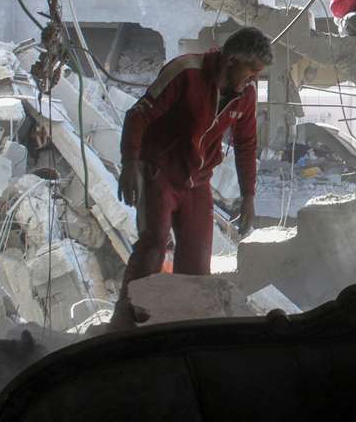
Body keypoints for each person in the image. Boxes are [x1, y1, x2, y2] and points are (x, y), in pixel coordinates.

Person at [116, 26, 272, 289]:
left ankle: (184, 324)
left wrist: (248, 197)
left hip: (197, 181)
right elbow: (138, 115)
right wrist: (130, 163)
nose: (253, 80)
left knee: (197, 265)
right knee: (154, 245)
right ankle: (128, 319)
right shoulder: (186, 72)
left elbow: (246, 144)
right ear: (232, 60)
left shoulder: (245, 96)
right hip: (159, 173)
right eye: (251, 72)